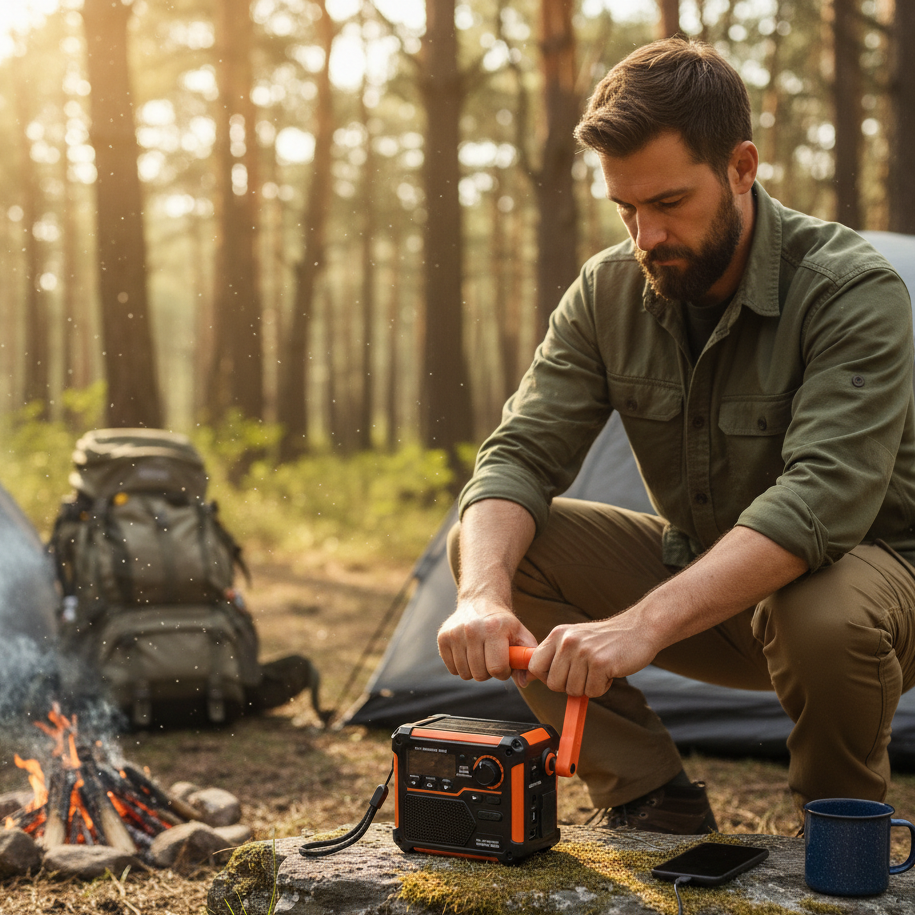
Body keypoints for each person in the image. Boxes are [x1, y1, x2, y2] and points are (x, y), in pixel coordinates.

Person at [437, 37, 915, 835]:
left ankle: (839, 836)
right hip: (718, 594)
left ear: (741, 167)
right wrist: (481, 595)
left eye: (667, 202)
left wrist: (641, 624)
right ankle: (649, 800)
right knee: (488, 544)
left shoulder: (847, 289)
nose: (645, 236)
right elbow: (518, 455)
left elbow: (819, 502)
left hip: (876, 604)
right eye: (624, 209)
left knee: (819, 609)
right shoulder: (607, 291)